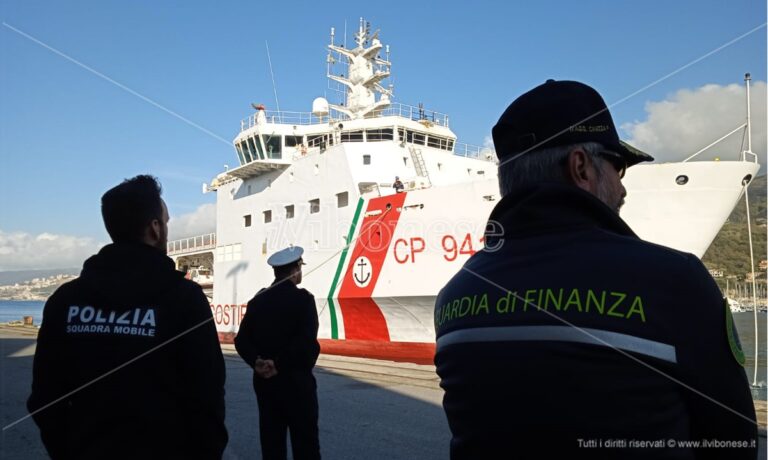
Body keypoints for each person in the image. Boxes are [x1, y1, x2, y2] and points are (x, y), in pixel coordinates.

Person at [434, 80, 757, 458]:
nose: (622, 189)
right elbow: (734, 442)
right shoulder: (675, 281)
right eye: (618, 167)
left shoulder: (453, 298)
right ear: (581, 166)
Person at [27, 175, 228, 459]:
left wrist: (68, 450)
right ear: (155, 229)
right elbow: (207, 397)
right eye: (166, 222)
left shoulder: (64, 301)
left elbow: (45, 396)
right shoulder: (185, 300)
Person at [235, 246, 321, 460]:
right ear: (295, 269)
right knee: (306, 446)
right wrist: (279, 364)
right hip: (297, 386)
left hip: (266, 387)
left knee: (272, 444)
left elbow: (241, 340)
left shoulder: (257, 301)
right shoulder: (303, 300)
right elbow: (307, 346)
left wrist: (257, 362)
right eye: (300, 267)